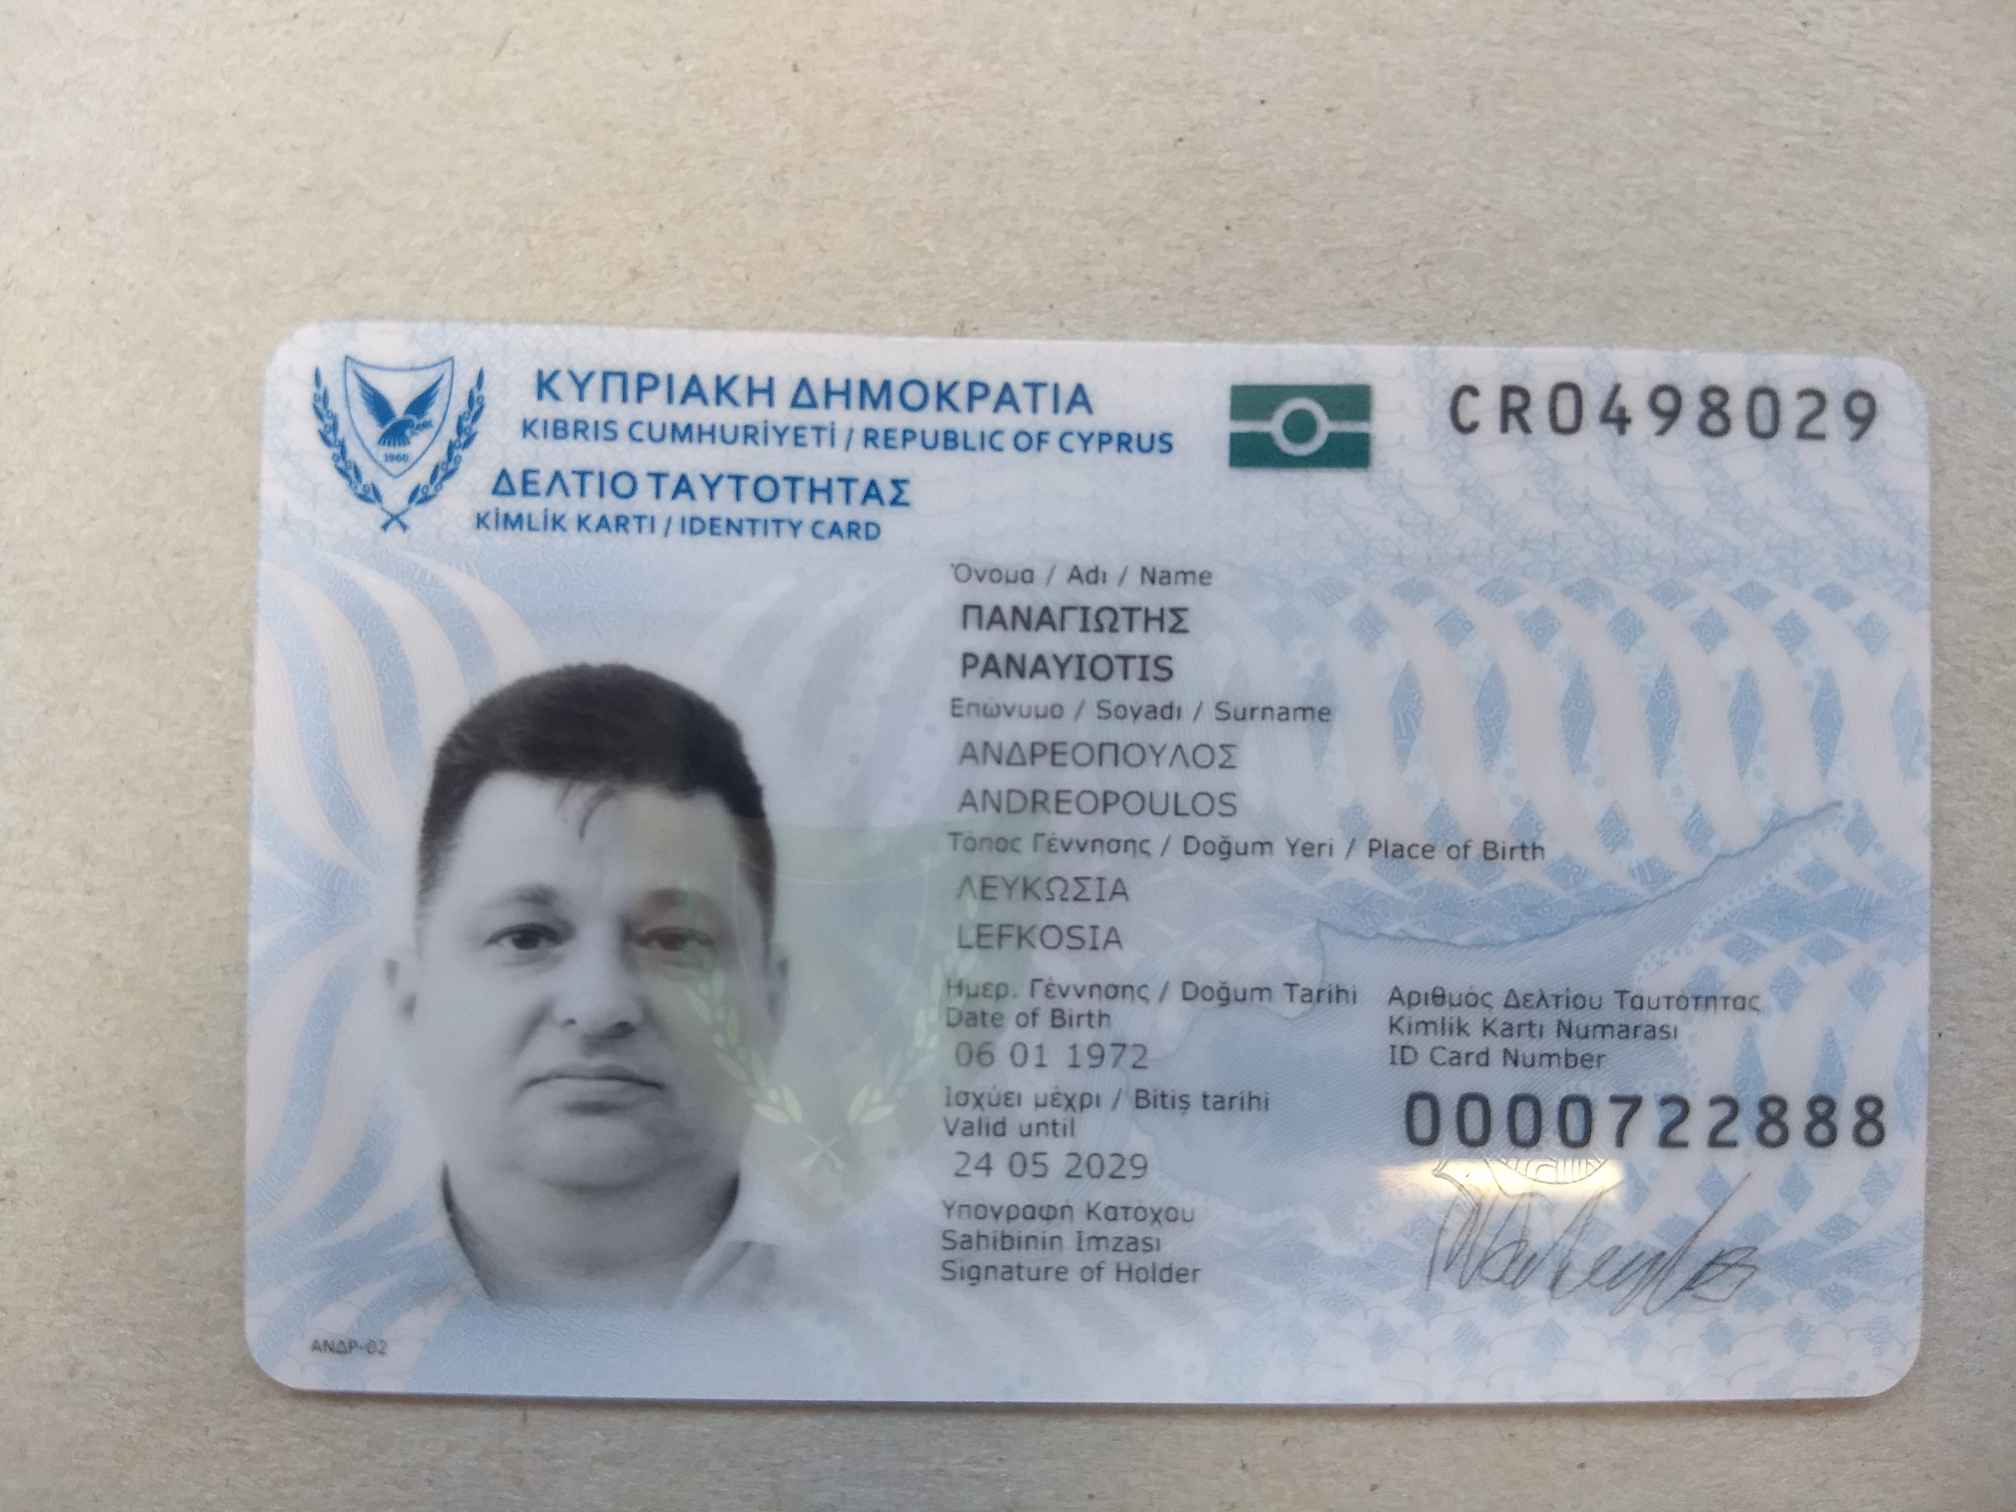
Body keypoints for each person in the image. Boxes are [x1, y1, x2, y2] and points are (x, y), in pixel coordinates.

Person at [384, 663, 787, 1307]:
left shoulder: (915, 1320)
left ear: (772, 1007)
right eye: (526, 937)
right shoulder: (293, 1310)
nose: (600, 1006)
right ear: (410, 1006)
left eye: (674, 941)